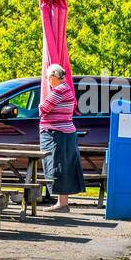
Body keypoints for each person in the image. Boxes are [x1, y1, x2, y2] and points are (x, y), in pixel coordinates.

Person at [39, 63, 85, 212]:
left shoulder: (58, 91)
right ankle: (62, 203)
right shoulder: (66, 89)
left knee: (58, 167)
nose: (47, 80)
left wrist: (41, 104)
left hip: (57, 134)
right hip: (64, 133)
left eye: (47, 78)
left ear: (53, 77)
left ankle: (62, 204)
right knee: (62, 167)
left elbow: (43, 109)